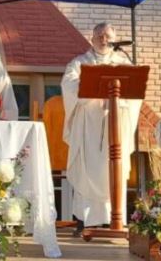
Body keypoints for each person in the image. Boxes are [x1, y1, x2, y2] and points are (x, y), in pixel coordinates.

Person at [61, 22, 142, 231]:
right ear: (92, 38)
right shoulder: (79, 63)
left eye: (107, 35)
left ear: (114, 38)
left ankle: (113, 220)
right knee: (89, 168)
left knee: (113, 167)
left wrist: (117, 99)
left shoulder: (124, 63)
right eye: (99, 36)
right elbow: (69, 85)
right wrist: (93, 93)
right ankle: (85, 220)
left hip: (115, 122)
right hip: (89, 126)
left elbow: (135, 94)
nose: (103, 39)